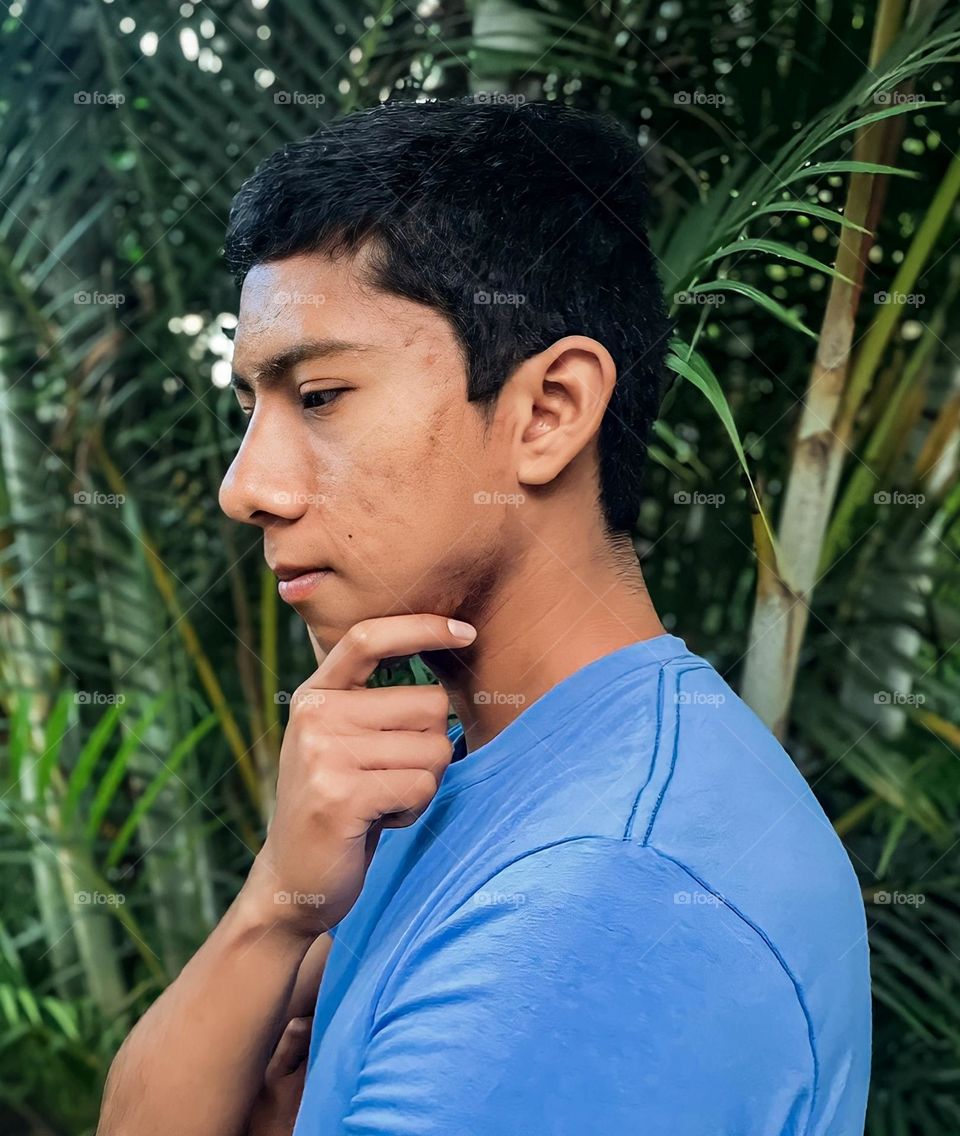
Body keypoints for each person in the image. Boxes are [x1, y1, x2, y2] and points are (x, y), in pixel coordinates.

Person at [97, 96, 871, 1136]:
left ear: (548, 412)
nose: (246, 488)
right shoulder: (455, 780)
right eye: (251, 410)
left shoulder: (604, 895)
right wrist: (276, 905)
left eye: (318, 395)